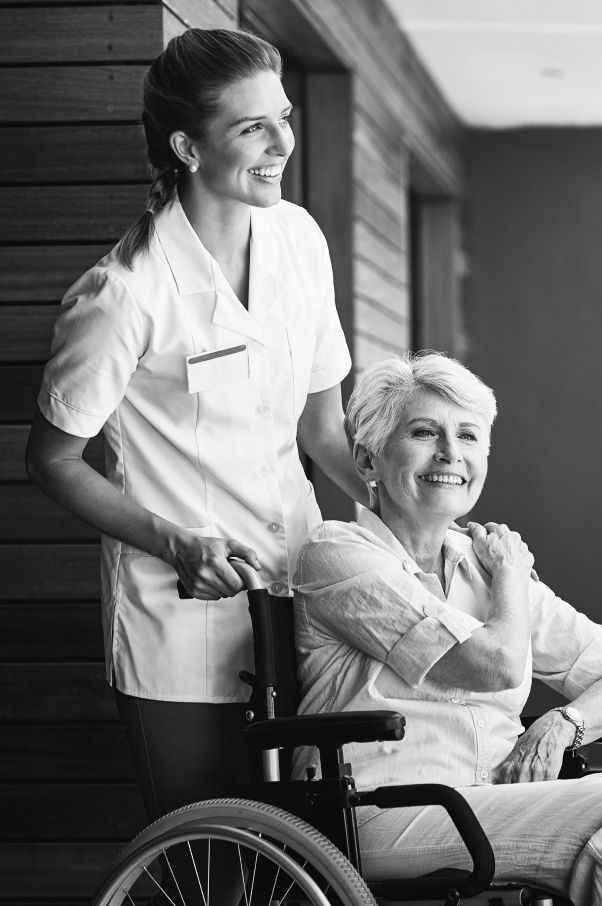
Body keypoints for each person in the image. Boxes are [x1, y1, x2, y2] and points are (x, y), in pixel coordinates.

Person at [25, 27, 365, 828]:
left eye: (283, 116)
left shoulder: (299, 241)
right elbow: (53, 461)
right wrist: (176, 541)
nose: (283, 141)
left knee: (315, 853)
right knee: (212, 861)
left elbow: (324, 429)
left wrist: (412, 522)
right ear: (186, 145)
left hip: (304, 601)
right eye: (252, 127)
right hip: (181, 625)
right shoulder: (125, 294)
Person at [293, 351, 602, 905]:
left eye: (467, 436)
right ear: (368, 460)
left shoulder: (479, 559)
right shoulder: (340, 554)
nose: (450, 454)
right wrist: (511, 577)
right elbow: (495, 665)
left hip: (500, 798)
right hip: (385, 809)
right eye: (423, 432)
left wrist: (564, 722)